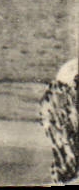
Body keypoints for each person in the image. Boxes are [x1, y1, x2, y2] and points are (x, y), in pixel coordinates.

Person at [40, 57, 79, 185]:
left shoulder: (70, 68)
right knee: (67, 161)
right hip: (60, 110)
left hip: (60, 108)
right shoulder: (70, 70)